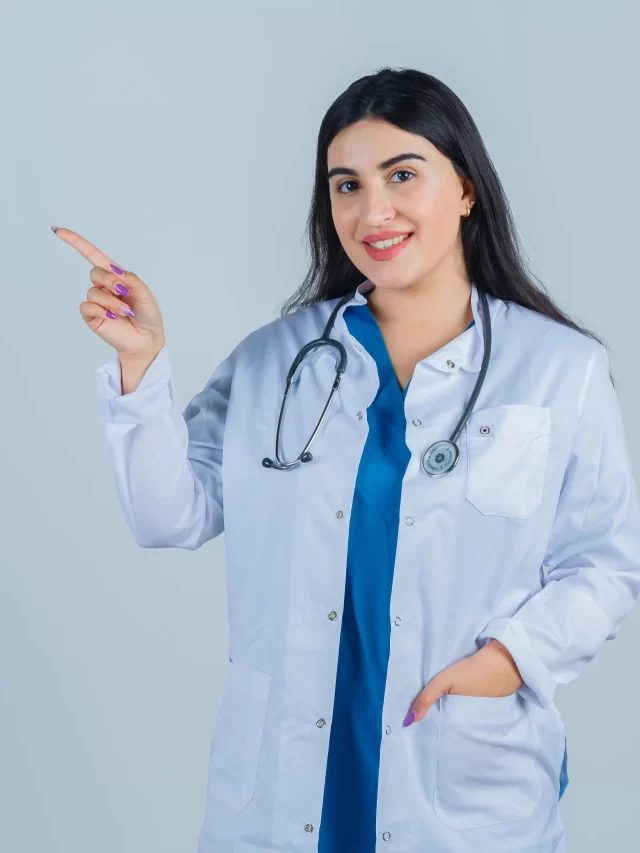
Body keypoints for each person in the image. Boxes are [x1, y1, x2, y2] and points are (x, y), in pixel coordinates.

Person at [55, 66, 640, 853]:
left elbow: (607, 562)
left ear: (465, 188)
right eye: (346, 185)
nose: (373, 211)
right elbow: (172, 515)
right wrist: (141, 366)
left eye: (403, 174)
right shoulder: (275, 362)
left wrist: (511, 658)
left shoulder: (558, 370)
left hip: (460, 772)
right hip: (286, 781)